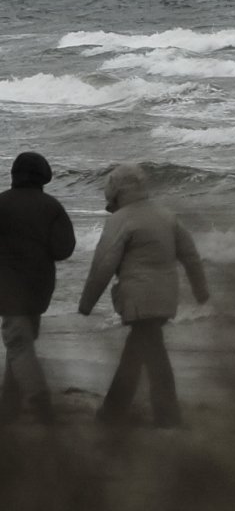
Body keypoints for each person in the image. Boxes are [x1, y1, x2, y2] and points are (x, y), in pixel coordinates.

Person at [78, 162, 208, 428]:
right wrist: (200, 289)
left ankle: (164, 416)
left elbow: (103, 265)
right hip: (165, 297)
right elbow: (190, 256)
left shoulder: (120, 220)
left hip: (137, 298)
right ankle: (115, 411)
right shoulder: (166, 216)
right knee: (138, 352)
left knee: (152, 353)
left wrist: (86, 303)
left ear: (115, 193)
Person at [0, 152, 76, 424]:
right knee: (21, 341)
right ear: (44, 176)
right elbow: (63, 249)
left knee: (18, 343)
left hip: (7, 288)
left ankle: (40, 402)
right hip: (40, 287)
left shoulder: (2, 203)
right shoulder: (52, 207)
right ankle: (9, 408)